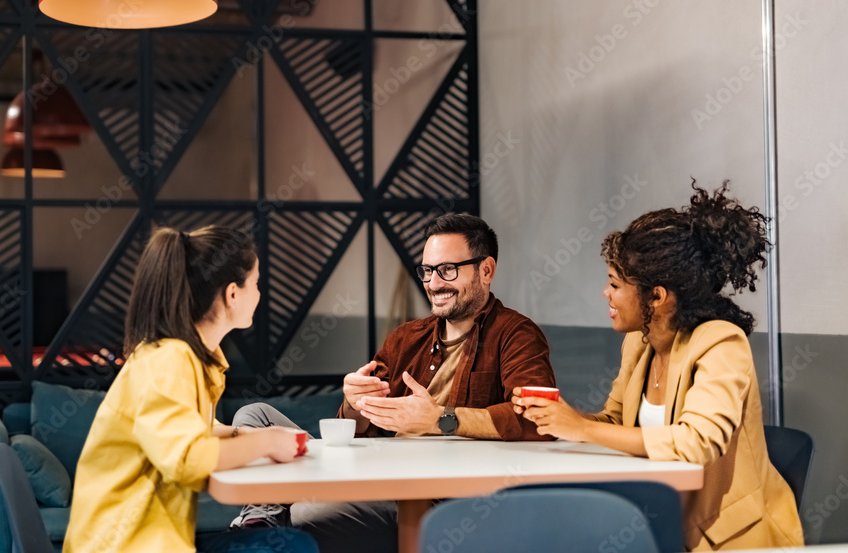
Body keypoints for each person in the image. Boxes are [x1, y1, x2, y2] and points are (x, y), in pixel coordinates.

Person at [230, 212, 556, 552]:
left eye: (447, 270)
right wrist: (355, 404)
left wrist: (440, 419)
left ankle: (263, 522)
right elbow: (357, 435)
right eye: (428, 271)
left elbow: (537, 420)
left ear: (486, 270)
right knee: (253, 416)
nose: (433, 283)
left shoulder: (517, 335)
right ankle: (260, 519)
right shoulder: (406, 338)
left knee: (305, 515)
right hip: (372, 474)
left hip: (432, 500)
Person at [515, 182, 804, 551]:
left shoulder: (721, 342)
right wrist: (562, 418)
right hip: (658, 520)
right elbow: (616, 426)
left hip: (728, 537)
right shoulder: (639, 341)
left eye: (615, 284)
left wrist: (582, 430)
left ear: (657, 296)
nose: (607, 293)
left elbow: (696, 443)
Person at [64, 226, 318, 553]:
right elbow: (187, 459)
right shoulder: (170, 360)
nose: (259, 294)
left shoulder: (182, 355)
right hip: (126, 545)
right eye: (256, 283)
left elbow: (182, 432)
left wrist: (241, 435)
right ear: (232, 294)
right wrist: (266, 441)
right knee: (294, 546)